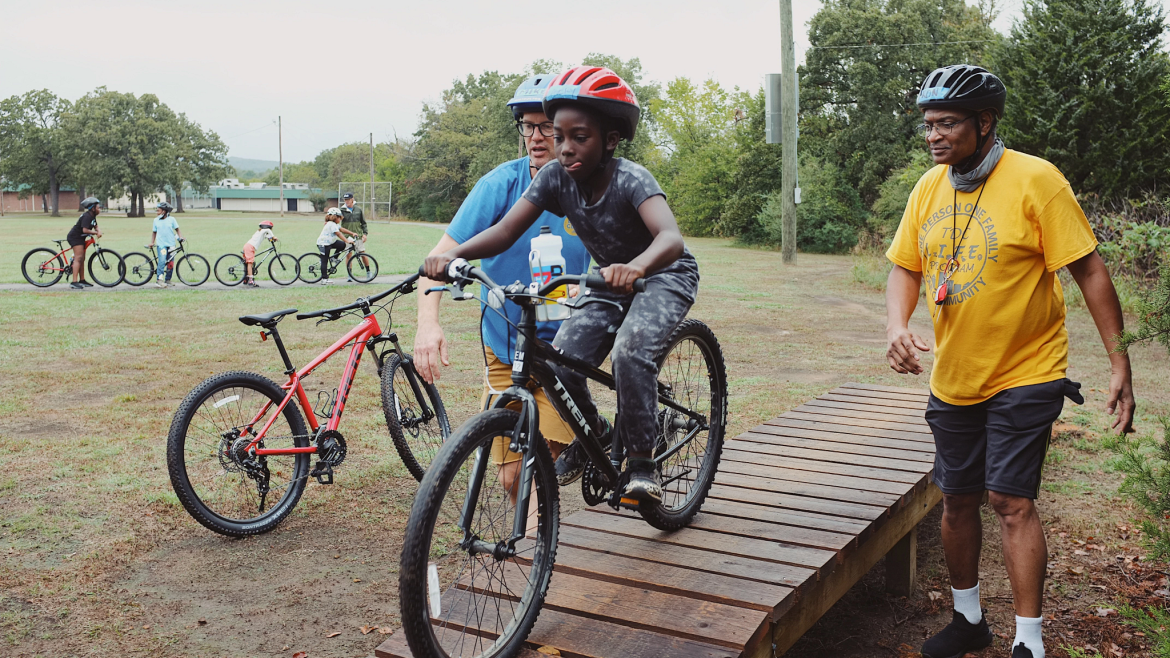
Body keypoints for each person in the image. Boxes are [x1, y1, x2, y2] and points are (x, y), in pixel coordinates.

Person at [884, 65, 1136, 658]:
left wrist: (1120, 361)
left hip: (1029, 368)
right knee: (956, 499)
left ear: (985, 122)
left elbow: (1090, 268)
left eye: (947, 123)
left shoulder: (1036, 180)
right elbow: (906, 267)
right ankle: (968, 619)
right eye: (929, 125)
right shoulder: (928, 187)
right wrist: (897, 324)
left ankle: (1030, 642)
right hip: (955, 375)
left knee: (1011, 501)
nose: (934, 136)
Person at [424, 66, 700, 504]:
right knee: (561, 362)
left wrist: (637, 266)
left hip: (663, 273)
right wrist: (454, 255)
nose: (565, 147)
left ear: (609, 139)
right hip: (609, 279)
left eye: (580, 137)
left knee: (632, 350)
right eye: (559, 136)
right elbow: (505, 231)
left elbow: (670, 238)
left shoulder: (632, 178)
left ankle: (643, 464)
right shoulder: (554, 178)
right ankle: (595, 434)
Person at [415, 73, 591, 493]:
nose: (535, 136)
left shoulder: (589, 186)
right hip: (504, 345)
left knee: (537, 461)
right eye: (527, 126)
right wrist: (428, 324)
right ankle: (538, 545)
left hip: (566, 347)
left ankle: (537, 549)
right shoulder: (499, 185)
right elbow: (438, 258)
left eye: (546, 126)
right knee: (512, 475)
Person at [66, 196, 103, 290]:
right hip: (75, 237)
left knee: (82, 259)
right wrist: (95, 233)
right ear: (93, 208)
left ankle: (82, 280)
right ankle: (74, 282)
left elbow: (95, 225)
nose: (100, 209)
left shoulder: (92, 216)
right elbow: (85, 230)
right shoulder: (87, 216)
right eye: (98, 208)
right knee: (78, 258)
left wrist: (98, 230)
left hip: (81, 238)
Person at [147, 201, 182, 288]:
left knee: (170, 263)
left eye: (158, 211)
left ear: (164, 211)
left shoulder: (172, 220)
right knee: (162, 262)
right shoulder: (156, 220)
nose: (157, 212)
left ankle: (168, 279)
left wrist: (180, 237)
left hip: (171, 244)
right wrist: (152, 242)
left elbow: (177, 229)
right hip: (161, 245)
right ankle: (159, 280)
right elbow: (154, 232)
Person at [317, 207, 356, 285]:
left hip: (330, 242)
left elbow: (342, 229)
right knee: (324, 260)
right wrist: (347, 240)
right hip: (324, 244)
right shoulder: (331, 224)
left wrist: (352, 233)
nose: (340, 219)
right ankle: (324, 279)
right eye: (339, 218)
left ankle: (334, 258)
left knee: (342, 245)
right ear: (335, 217)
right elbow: (338, 233)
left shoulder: (334, 224)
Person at [340, 192, 370, 277]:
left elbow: (363, 223)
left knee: (362, 254)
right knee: (348, 255)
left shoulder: (358, 209)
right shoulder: (342, 210)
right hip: (347, 236)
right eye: (345, 200)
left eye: (348, 200)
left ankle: (368, 272)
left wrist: (365, 234)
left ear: (352, 199)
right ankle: (350, 274)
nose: (347, 201)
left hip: (358, 236)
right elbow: (335, 219)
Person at [242, 220, 276, 287]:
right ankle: (251, 280)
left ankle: (246, 278)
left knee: (248, 263)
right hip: (250, 247)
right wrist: (274, 237)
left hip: (248, 246)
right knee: (250, 263)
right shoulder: (265, 230)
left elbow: (269, 238)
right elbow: (269, 233)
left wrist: (272, 239)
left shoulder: (261, 232)